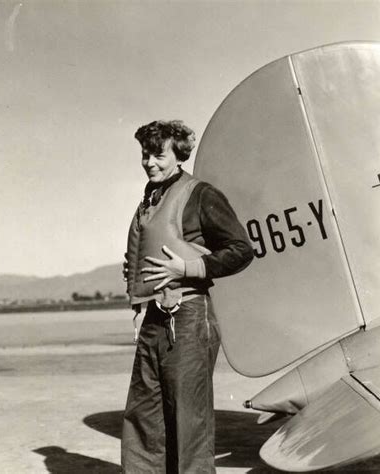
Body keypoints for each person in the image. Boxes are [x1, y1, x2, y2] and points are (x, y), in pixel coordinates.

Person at [121, 120, 253, 473]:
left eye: (158, 155)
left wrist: (187, 269)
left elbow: (241, 250)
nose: (150, 162)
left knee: (188, 422)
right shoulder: (149, 199)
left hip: (189, 316)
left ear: (178, 155)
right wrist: (137, 304)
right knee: (144, 416)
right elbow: (135, 256)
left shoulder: (201, 194)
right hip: (154, 320)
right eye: (145, 155)